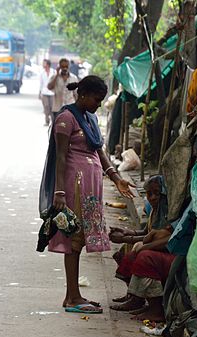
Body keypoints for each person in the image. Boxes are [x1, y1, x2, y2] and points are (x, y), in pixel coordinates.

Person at [41, 75, 135, 314]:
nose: (99, 104)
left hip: (90, 189)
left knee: (80, 240)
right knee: (73, 240)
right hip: (74, 188)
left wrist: (116, 178)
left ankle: (73, 295)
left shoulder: (90, 118)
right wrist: (59, 192)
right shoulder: (65, 118)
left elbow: (100, 153)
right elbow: (60, 158)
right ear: (82, 94)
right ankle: (73, 297)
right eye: (96, 99)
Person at [110, 176, 176, 322]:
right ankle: (135, 297)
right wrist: (127, 233)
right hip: (160, 252)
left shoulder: (171, 211)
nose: (152, 198)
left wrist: (134, 241)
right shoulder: (154, 210)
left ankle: (155, 309)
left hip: (172, 255)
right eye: (149, 193)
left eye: (156, 194)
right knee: (124, 252)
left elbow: (165, 239)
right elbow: (147, 232)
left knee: (143, 256)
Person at [47, 58, 78, 122]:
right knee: (56, 128)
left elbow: (76, 94)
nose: (65, 68)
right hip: (57, 109)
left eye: (66, 66)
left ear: (69, 66)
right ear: (59, 67)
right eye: (62, 67)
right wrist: (57, 74)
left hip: (70, 108)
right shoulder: (54, 77)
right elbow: (49, 87)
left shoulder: (74, 78)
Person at [39, 59, 55, 126]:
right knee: (46, 107)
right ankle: (47, 121)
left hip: (52, 93)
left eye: (44, 63)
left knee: (52, 107)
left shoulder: (53, 72)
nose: (43, 64)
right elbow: (41, 83)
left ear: (47, 64)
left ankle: (53, 121)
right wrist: (39, 92)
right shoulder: (42, 73)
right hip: (44, 92)